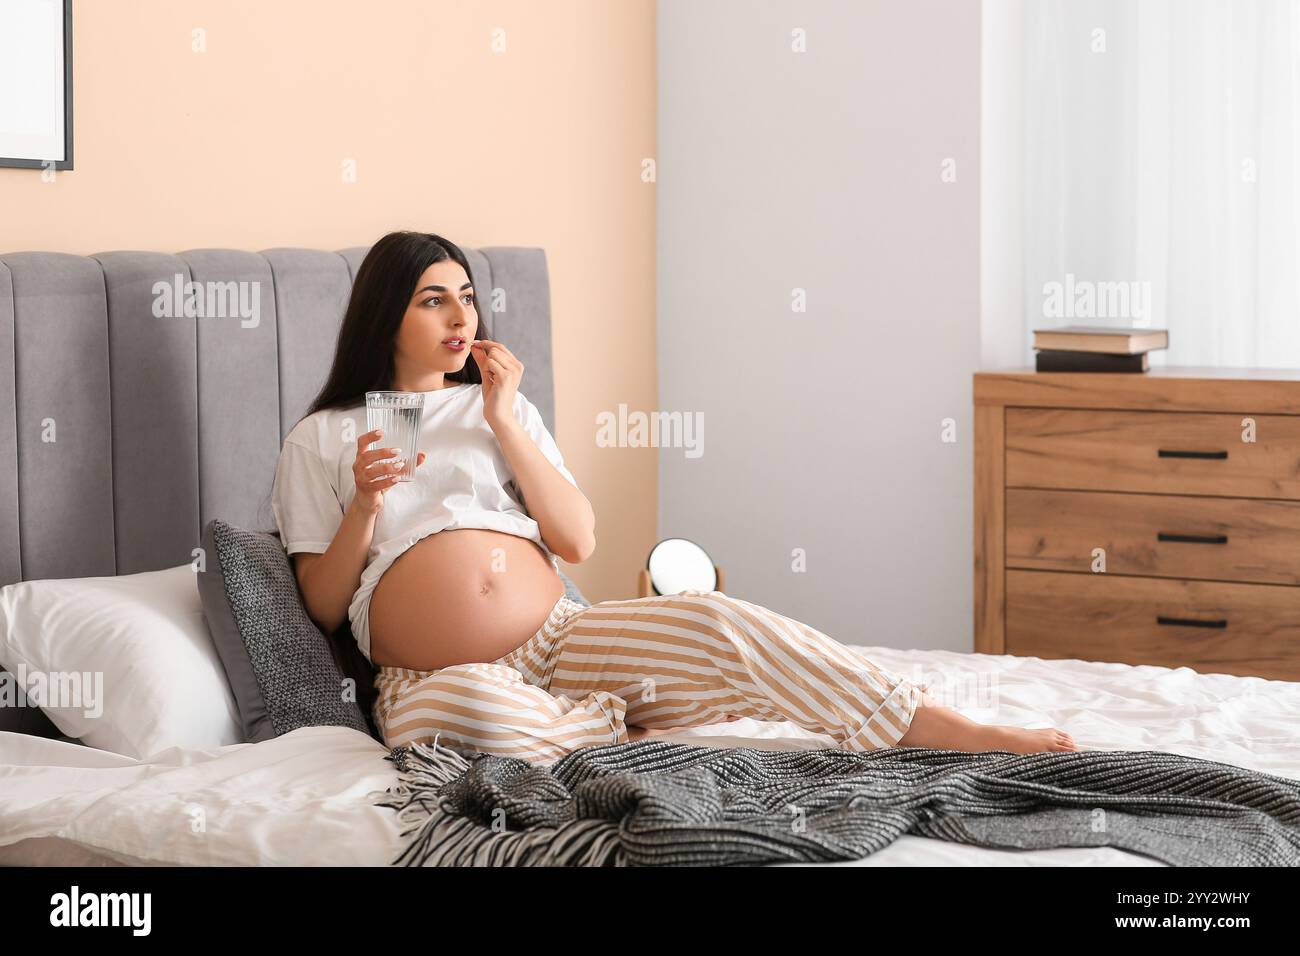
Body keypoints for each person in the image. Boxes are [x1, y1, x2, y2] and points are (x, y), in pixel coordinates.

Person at [271, 231, 1079, 766]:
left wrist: (506, 421)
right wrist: (367, 508)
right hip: (434, 674)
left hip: (562, 638)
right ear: (387, 314)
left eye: (467, 296)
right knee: (476, 715)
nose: (460, 315)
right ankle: (616, 722)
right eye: (432, 299)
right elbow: (326, 605)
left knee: (720, 621)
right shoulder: (325, 438)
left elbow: (578, 540)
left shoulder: (500, 410)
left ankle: (949, 730)